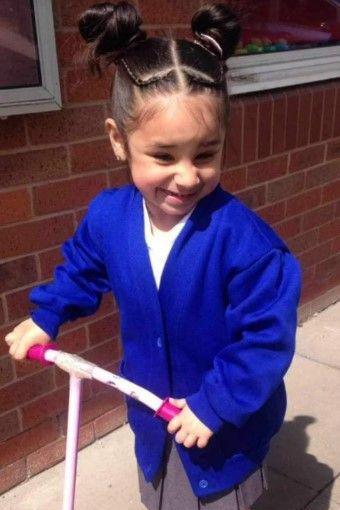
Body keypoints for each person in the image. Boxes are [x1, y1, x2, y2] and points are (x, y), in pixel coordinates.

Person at [4, 2, 302, 509]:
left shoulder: (248, 246)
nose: (187, 176)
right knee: (160, 495)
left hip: (221, 432)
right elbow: (82, 269)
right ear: (119, 141)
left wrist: (215, 405)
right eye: (164, 156)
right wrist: (48, 314)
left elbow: (266, 340)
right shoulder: (108, 218)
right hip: (151, 416)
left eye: (205, 154)